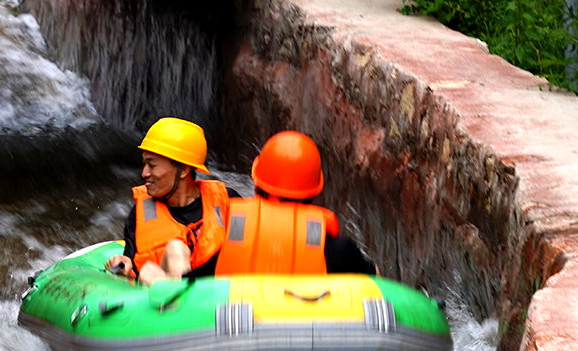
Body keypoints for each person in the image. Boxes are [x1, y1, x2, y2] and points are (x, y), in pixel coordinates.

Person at [187, 130, 376, 277]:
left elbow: (191, 283)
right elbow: (378, 287)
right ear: (313, 192)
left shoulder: (234, 238)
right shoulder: (341, 251)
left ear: (256, 186)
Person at [104, 117, 236, 285]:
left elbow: (244, 251)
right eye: (144, 164)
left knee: (171, 253)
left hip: (221, 292)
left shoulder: (229, 201)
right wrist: (123, 265)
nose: (144, 173)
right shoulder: (139, 214)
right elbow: (133, 269)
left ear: (184, 170)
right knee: (159, 263)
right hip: (169, 298)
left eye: (152, 166)